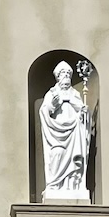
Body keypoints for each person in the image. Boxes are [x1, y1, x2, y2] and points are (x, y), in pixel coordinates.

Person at [40, 60, 93, 200]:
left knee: (75, 159)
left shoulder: (75, 93)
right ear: (58, 77)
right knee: (57, 153)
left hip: (74, 132)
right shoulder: (52, 93)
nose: (66, 77)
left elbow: (82, 113)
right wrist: (53, 105)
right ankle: (54, 185)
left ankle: (73, 185)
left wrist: (84, 113)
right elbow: (44, 111)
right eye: (63, 74)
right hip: (56, 134)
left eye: (68, 75)